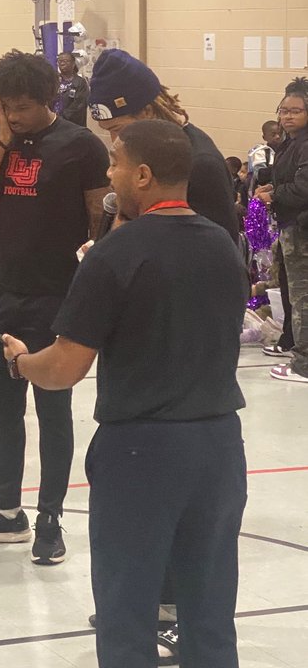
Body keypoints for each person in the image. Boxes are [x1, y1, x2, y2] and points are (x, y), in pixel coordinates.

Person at [0, 121, 247, 668]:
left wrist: (21, 360)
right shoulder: (225, 248)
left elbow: (64, 367)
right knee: (209, 613)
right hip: (219, 446)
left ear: (142, 174)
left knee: (127, 612)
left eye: (114, 162)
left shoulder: (115, 254)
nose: (107, 174)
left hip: (142, 447)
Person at [87, 47, 239, 654]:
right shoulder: (160, 154)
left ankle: (170, 607)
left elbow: (213, 250)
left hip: (186, 345)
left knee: (182, 504)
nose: (116, 150)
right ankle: (161, 602)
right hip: (155, 330)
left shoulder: (192, 160)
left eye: (120, 132)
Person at [0, 51, 109, 564]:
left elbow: (100, 219)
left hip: (56, 294)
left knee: (53, 409)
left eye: (21, 106)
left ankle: (50, 516)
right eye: (5, 105)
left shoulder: (80, 145)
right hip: (3, 290)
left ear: (47, 101)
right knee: (3, 407)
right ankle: (5, 511)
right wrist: (0, 139)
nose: (13, 114)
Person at [89, 49, 238, 241]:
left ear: (147, 112)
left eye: (117, 128)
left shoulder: (200, 163)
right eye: (107, 129)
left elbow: (218, 252)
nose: (115, 139)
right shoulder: (150, 153)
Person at [255, 78, 308, 384]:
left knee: (303, 298)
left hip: (302, 229)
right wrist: (273, 187)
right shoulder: (291, 142)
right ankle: (294, 345)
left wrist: (274, 195)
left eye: (296, 111)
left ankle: (304, 364)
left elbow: (303, 188)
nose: (287, 117)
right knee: (292, 292)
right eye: (283, 110)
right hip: (290, 225)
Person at [55, 51, 90, 126]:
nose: (62, 63)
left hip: (74, 124)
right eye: (60, 61)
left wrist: (62, 117)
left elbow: (80, 104)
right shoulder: (54, 80)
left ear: (73, 64)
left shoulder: (80, 82)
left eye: (66, 61)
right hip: (55, 124)